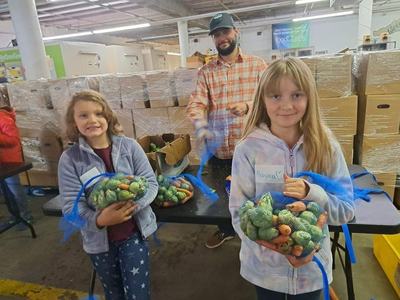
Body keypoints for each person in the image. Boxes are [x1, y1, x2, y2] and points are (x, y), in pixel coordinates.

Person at [229, 57, 355, 299]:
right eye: (276, 96)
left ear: (309, 97)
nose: (286, 105)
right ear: (262, 100)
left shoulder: (326, 145)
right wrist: (276, 245)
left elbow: (346, 209)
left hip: (312, 270)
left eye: (296, 95)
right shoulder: (248, 149)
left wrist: (312, 193)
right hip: (265, 272)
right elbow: (238, 213)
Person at [58, 90, 158, 300]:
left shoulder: (130, 147)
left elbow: (150, 183)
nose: (92, 120)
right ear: (73, 121)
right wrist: (100, 220)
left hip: (133, 235)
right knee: (113, 293)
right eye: (83, 115)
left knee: (138, 294)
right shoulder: (70, 159)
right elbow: (71, 208)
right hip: (99, 244)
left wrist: (131, 208)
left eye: (98, 113)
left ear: (108, 117)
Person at [187, 12, 267, 249]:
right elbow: (197, 103)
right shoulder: (205, 72)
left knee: (256, 191)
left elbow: (270, 100)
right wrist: (200, 125)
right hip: (219, 150)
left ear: (236, 33)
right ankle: (226, 229)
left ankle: (258, 233)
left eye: (225, 32)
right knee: (222, 195)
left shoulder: (258, 66)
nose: (222, 38)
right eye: (217, 34)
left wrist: (247, 106)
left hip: (253, 147)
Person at [0, 105, 32, 230]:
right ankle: (15, 215)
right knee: (6, 192)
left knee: (14, 189)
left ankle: (25, 215)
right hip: (2, 164)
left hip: (9, 162)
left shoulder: (4, 118)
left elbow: (14, 140)